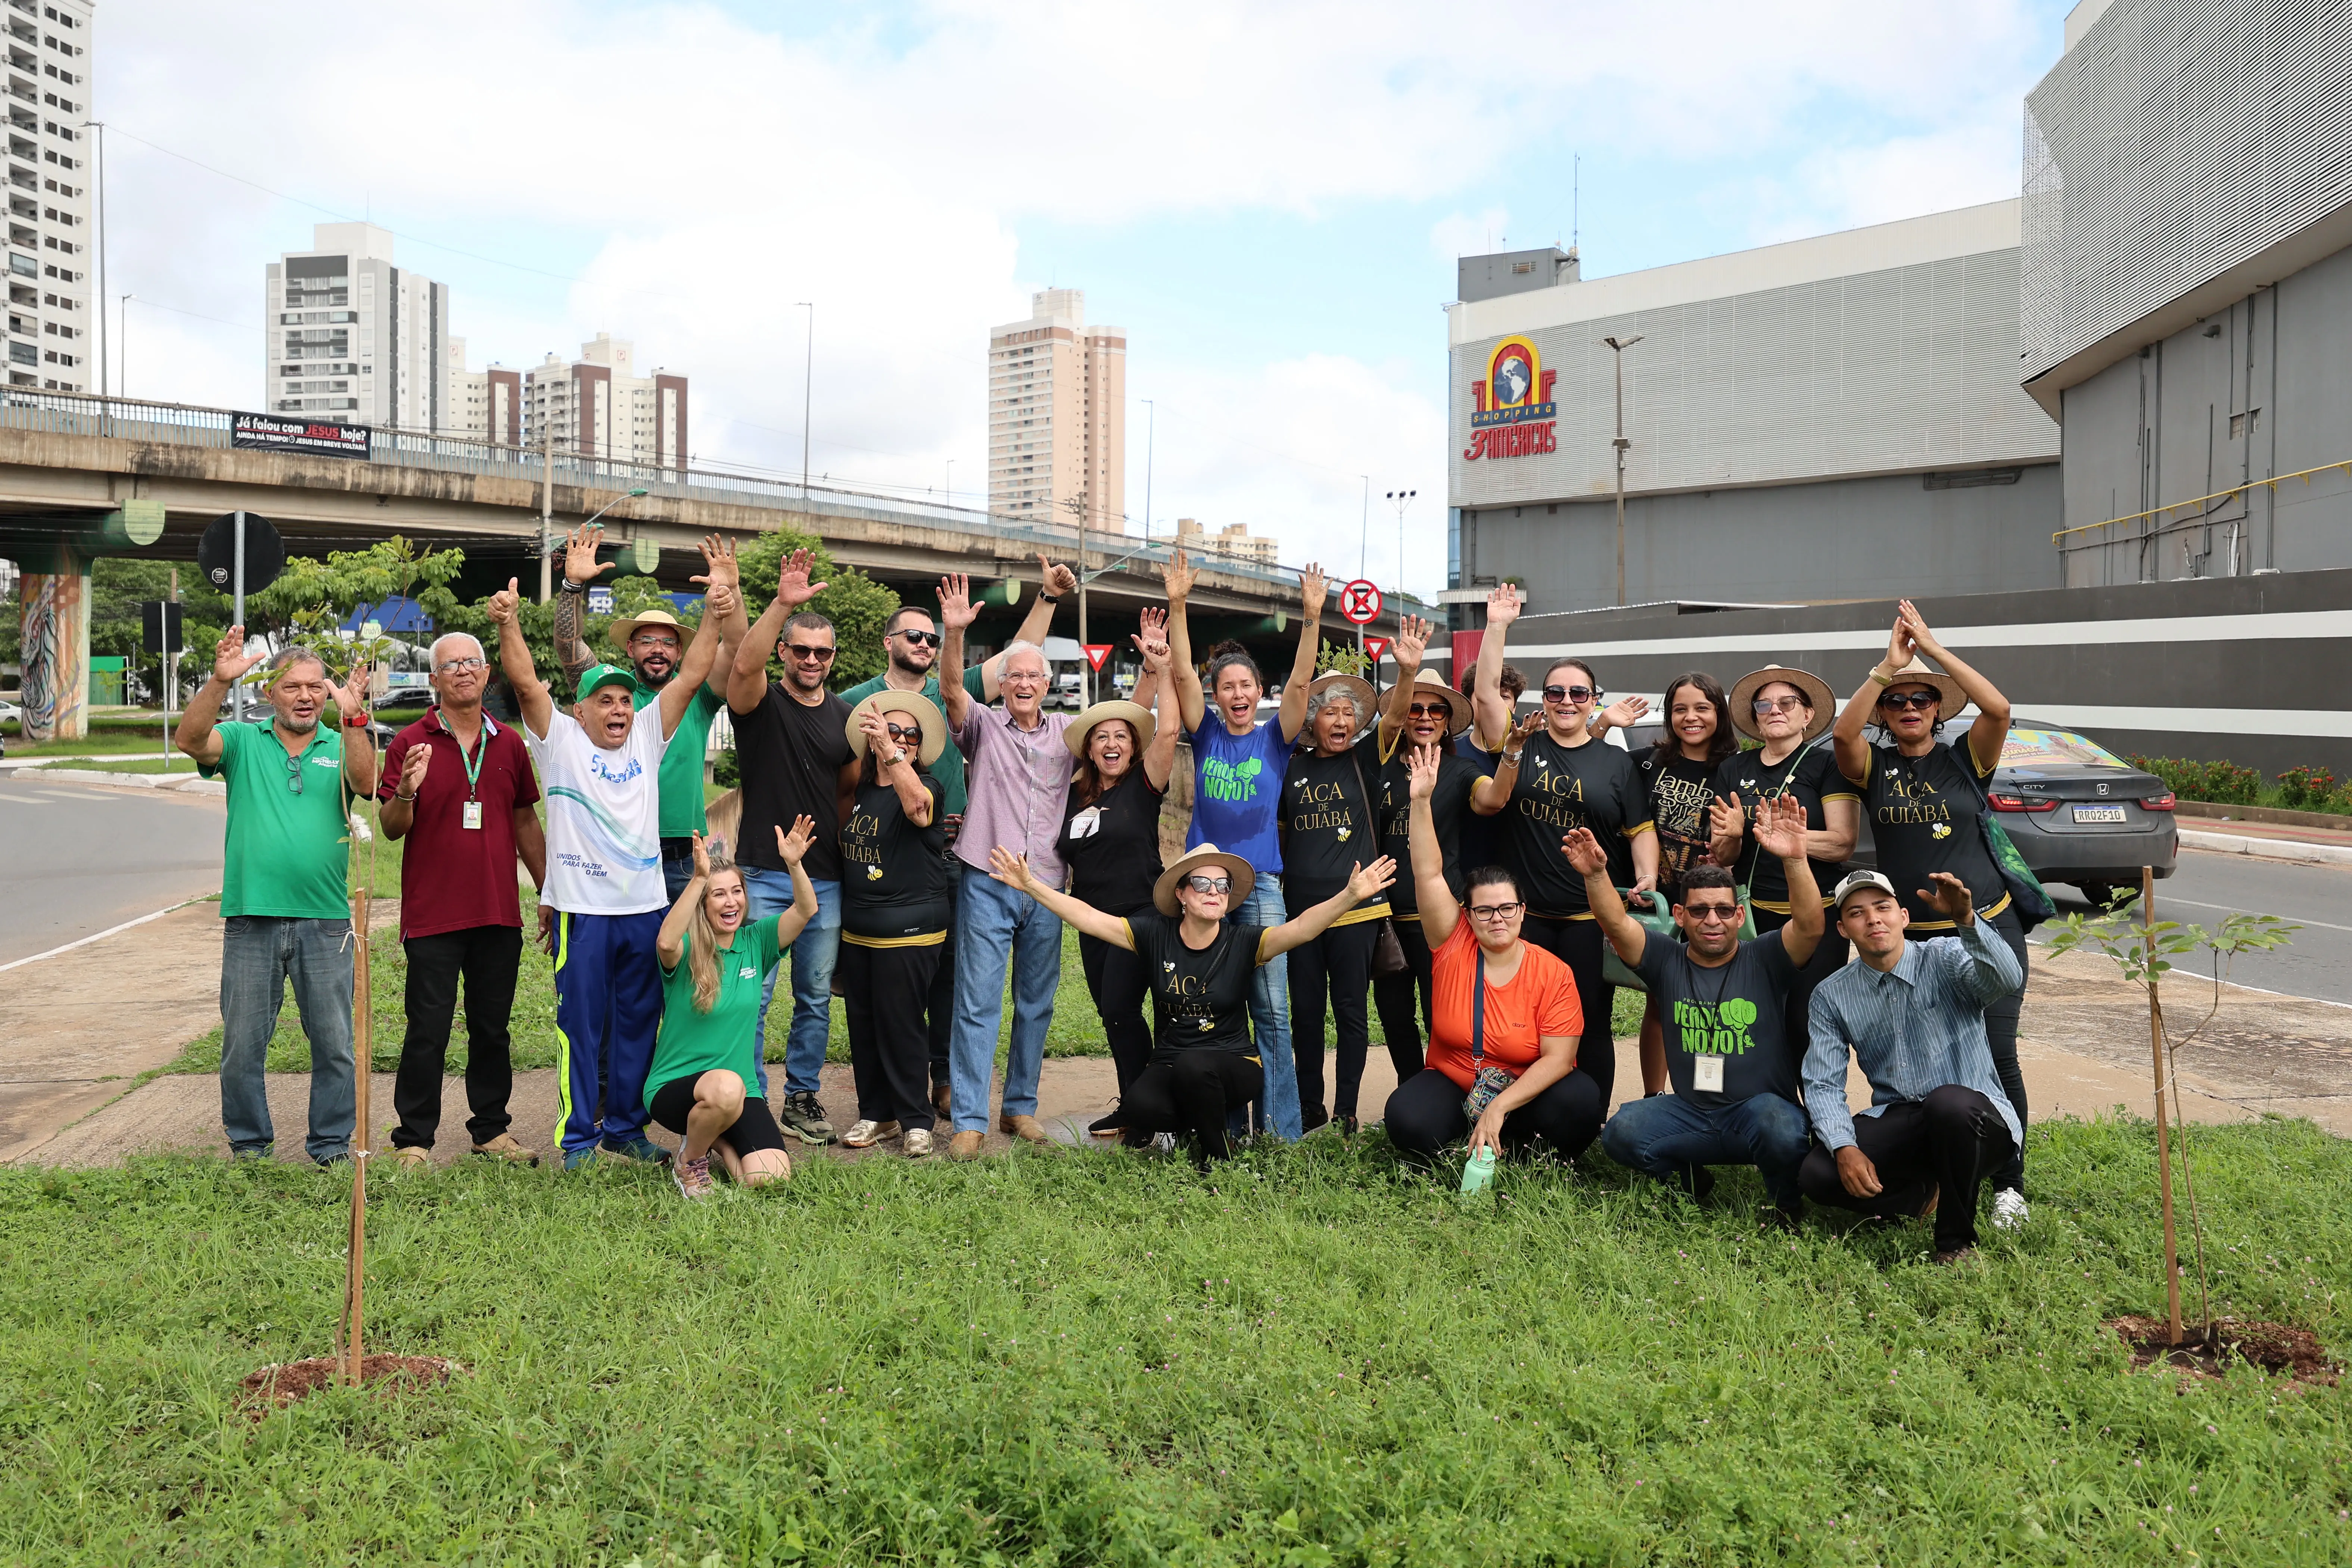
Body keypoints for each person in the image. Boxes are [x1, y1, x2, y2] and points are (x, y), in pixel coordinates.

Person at [489, 555, 740, 1171]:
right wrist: (508, 623)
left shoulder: (649, 737)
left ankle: (626, 1128)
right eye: (605, 701)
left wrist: (715, 611)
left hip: (645, 911)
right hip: (583, 914)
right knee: (581, 1029)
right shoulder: (560, 742)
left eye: (625, 700)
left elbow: (693, 673)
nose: (619, 709)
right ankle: (579, 1140)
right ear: (582, 710)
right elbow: (527, 684)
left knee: (638, 1025)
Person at [838, 554, 1079, 1123]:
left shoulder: (972, 690)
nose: (925, 644)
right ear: (889, 643)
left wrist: (1047, 598)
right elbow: (840, 775)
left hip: (956, 854)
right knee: (897, 982)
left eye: (931, 638)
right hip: (892, 857)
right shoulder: (857, 700)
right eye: (914, 636)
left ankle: (947, 1080)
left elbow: (1017, 663)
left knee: (952, 978)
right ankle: (895, 1094)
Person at [985, 843, 1397, 1169]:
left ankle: (1217, 1157)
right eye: (1202, 883)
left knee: (1195, 1067)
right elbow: (1090, 919)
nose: (1214, 892)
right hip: (1172, 1063)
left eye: (1222, 885)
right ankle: (1202, 1123)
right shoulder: (1154, 935)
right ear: (1181, 894)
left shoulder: (1245, 942)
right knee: (1140, 1106)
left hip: (1234, 1063)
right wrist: (1032, 885)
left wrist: (1350, 895)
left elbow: (1302, 928)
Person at [1831, 598, 2031, 1230]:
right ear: (1886, 714)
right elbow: (1843, 736)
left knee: (1997, 1055)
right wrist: (1887, 668)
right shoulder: (1875, 767)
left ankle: (2010, 1184)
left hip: (1983, 927)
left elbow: (1999, 709)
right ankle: (1934, 1171)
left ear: (1938, 709)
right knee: (1916, 1064)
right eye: (1898, 702)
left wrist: (1934, 650)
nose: (1910, 707)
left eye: (1923, 699)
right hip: (1911, 942)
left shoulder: (1966, 759)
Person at [176, 635, 377, 1164]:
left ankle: (331, 1146)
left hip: (327, 921)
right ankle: (249, 1146)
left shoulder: (341, 742)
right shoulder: (242, 740)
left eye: (315, 687)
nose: (305, 697)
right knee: (242, 1045)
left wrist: (353, 719)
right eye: (292, 687)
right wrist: (220, 680)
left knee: (334, 1044)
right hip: (252, 918)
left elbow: (368, 783)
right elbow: (190, 740)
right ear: (270, 693)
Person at [1580, 796, 1822, 1220]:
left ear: (1739, 915)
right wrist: (1597, 875)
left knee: (1780, 1127)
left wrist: (1795, 859)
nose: (1713, 920)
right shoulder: (1665, 959)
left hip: (1760, 1113)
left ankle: (1785, 1205)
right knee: (1623, 1132)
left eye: (1724, 910)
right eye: (1699, 910)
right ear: (1680, 915)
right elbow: (1616, 925)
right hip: (1692, 1113)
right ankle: (1692, 1181)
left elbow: (1809, 926)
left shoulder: (1765, 958)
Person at [1163, 548, 1331, 1141]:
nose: (1236, 694)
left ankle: (1281, 1131)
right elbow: (1183, 675)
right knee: (1219, 1013)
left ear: (1260, 691)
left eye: (1246, 686)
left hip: (1260, 888)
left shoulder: (1275, 738)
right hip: (1207, 888)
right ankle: (1227, 1127)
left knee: (1273, 1012)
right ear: (1216, 695)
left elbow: (1303, 682)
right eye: (1226, 687)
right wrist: (1178, 606)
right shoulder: (1206, 732)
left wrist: (1312, 617)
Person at [377, 631, 548, 1168]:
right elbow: (391, 828)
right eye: (451, 665)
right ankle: (413, 1140)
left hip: (497, 912)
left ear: (487, 672)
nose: (463, 671)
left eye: (472, 662)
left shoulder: (509, 743)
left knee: (492, 1029)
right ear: (435, 678)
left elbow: (526, 821)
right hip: (433, 915)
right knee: (427, 1031)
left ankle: (490, 1131)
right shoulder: (411, 743)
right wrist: (407, 789)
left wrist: (549, 890)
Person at [1799, 870, 2025, 1262]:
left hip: (1977, 1124)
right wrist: (1844, 1146)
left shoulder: (1945, 957)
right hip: (1906, 1118)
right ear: (1843, 929)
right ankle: (1919, 1196)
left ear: (1903, 917)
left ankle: (1955, 1244)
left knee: (1947, 1104)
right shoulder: (1832, 996)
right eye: (1857, 913)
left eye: (1882, 908)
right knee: (1817, 1173)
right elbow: (1822, 1082)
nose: (1873, 919)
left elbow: (2007, 979)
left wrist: (1966, 919)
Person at [1383, 744, 1591, 1165]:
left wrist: (1499, 1106)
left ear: (1523, 911)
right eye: (1484, 910)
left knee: (1581, 1100)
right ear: (1468, 914)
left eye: (1507, 908)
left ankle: (1509, 1136)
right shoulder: (1452, 942)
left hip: (1522, 1089)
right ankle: (1465, 1135)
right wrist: (1420, 801)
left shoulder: (1552, 972)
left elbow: (1560, 1059)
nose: (1497, 918)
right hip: (1455, 1079)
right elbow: (1428, 871)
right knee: (1406, 1117)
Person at [936, 572, 1079, 1158]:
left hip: (1045, 884)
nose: (1022, 683)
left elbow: (1127, 728)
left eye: (1032, 676)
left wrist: (1152, 671)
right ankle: (969, 1120)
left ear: (1047, 685)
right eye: (1013, 676)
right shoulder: (982, 727)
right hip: (988, 879)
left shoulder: (1068, 733)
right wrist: (953, 634)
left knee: (1036, 1003)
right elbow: (950, 689)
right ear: (1001, 684)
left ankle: (1019, 1107)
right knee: (977, 1001)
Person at [1480, 652, 1657, 1110]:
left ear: (1594, 700)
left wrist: (1647, 876)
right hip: (1526, 919)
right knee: (1521, 1022)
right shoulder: (1521, 746)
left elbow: (1640, 830)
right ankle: (1522, 1111)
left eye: (1579, 693)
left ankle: (1591, 1119)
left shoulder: (1617, 763)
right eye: (1556, 692)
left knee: (1591, 1021)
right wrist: (1496, 626)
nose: (1566, 701)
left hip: (1589, 918)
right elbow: (1485, 695)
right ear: (1543, 699)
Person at [727, 547, 857, 1145]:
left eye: (821, 652)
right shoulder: (760, 702)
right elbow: (743, 665)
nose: (811, 659)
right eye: (800, 649)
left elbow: (847, 792)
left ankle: (801, 1097)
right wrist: (781, 604)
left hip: (824, 878)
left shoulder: (845, 717)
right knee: (752, 993)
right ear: (784, 651)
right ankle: (750, 1097)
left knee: (815, 997)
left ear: (832, 658)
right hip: (762, 873)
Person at [555, 525, 742, 899]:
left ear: (680, 652)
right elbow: (568, 647)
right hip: (618, 846)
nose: (658, 650)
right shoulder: (610, 694)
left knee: (685, 939)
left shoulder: (700, 694)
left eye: (668, 643)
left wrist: (732, 593)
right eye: (647, 641)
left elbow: (738, 650)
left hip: (684, 855)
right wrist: (572, 586)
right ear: (630, 648)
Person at [647, 821, 820, 1199]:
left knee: (770, 1178)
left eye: (737, 892)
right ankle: (690, 1161)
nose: (731, 902)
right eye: (719, 894)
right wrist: (699, 879)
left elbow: (807, 909)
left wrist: (794, 864)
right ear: (704, 903)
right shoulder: (687, 947)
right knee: (726, 1087)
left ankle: (716, 1139)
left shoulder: (757, 941)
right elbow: (665, 942)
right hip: (677, 1088)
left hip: (740, 1093)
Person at [1058, 612, 1179, 1138]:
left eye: (1121, 737)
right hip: (1091, 920)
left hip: (1140, 917)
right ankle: (1136, 1105)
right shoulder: (1074, 795)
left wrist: (1162, 670)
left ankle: (1148, 1109)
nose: (1111, 744)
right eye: (1101, 737)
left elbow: (1168, 728)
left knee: (1122, 1009)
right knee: (1112, 1016)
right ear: (1089, 749)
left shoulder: (1144, 784)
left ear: (1133, 748)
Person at [1707, 664, 1859, 1052]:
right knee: (1751, 1021)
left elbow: (1842, 843)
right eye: (1764, 704)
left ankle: (1813, 1094)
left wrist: (1792, 839)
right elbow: (1723, 855)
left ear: (1807, 715)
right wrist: (1733, 835)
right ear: (1756, 718)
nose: (1774, 710)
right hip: (1753, 915)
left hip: (1817, 915)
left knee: (1809, 1024)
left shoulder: (1828, 765)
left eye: (1787, 703)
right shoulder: (1733, 768)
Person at [1371, 632, 1496, 1086]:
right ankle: (1413, 1090)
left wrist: (1513, 755)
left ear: (1447, 723)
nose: (1425, 717)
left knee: (1443, 1015)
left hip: (1443, 919)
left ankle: (1448, 1091)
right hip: (1386, 917)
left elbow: (1494, 799)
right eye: (1416, 709)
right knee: (1394, 1016)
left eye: (1436, 710)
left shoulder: (1461, 771)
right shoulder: (1379, 768)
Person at [836, 692, 953, 1158]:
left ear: (919, 747)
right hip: (858, 930)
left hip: (909, 929)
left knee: (900, 1023)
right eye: (890, 730)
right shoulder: (862, 791)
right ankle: (877, 1113)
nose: (900, 738)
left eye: (910, 734)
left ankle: (915, 1120)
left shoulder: (928, 786)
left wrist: (891, 752)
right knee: (864, 1024)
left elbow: (918, 809)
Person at [1624, 671, 1740, 1094]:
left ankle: (1708, 1097)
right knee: (1659, 1000)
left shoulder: (1734, 768)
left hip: (1710, 905)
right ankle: (1654, 1097)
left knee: (1713, 1005)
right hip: (1659, 903)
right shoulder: (1648, 762)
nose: (1691, 718)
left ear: (1719, 713)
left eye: (1702, 708)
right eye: (1680, 709)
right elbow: (1595, 762)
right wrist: (1604, 723)